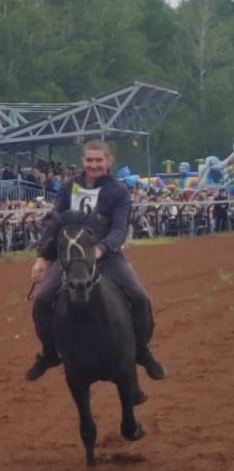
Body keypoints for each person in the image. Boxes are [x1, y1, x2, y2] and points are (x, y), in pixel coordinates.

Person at [25, 139, 167, 383]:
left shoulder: (118, 191)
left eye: (98, 160)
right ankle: (49, 354)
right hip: (71, 256)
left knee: (140, 298)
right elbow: (54, 224)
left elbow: (119, 228)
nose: (93, 165)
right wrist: (42, 257)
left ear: (108, 161)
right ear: (83, 161)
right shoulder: (68, 187)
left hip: (106, 255)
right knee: (40, 300)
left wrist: (100, 249)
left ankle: (141, 351)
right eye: (89, 160)